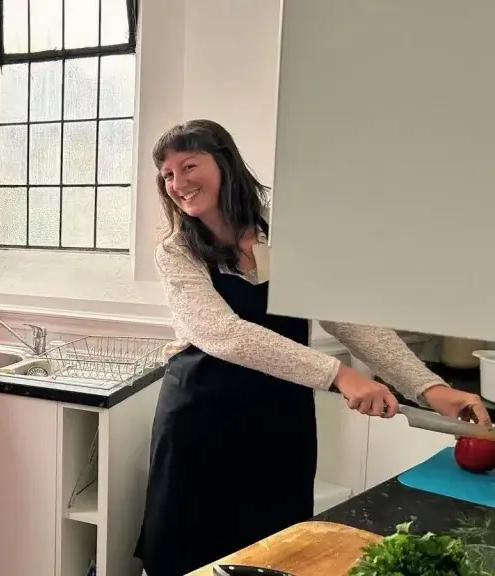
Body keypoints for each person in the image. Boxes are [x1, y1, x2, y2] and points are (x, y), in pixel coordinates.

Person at [134, 119, 489, 575]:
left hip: (279, 421)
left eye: (189, 165)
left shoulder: (284, 235)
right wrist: (339, 374)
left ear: (223, 162)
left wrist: (428, 388)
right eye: (167, 175)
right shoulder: (177, 250)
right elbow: (224, 333)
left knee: (279, 550)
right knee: (191, 553)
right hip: (201, 422)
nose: (178, 184)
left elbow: (348, 318)